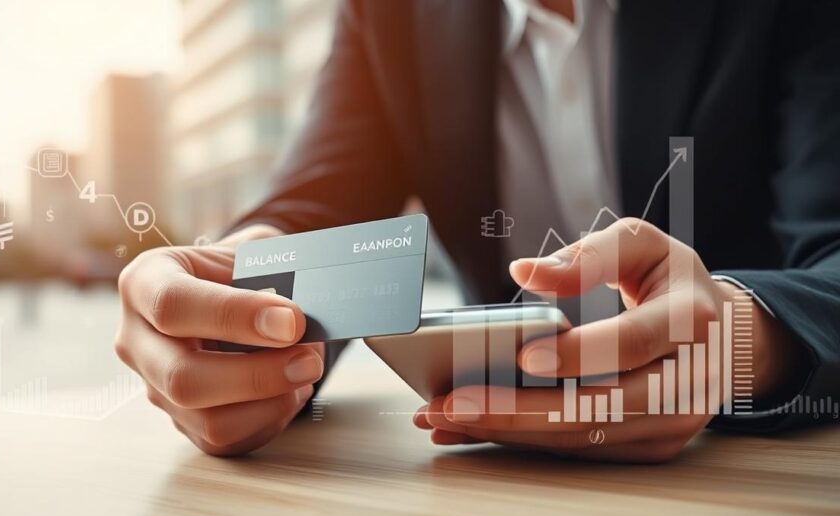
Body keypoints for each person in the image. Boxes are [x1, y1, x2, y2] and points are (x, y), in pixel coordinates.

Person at [115, 0, 840, 461]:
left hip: (751, 480)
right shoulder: (392, 15)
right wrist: (232, 291)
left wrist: (737, 340)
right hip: (489, 482)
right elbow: (316, 208)